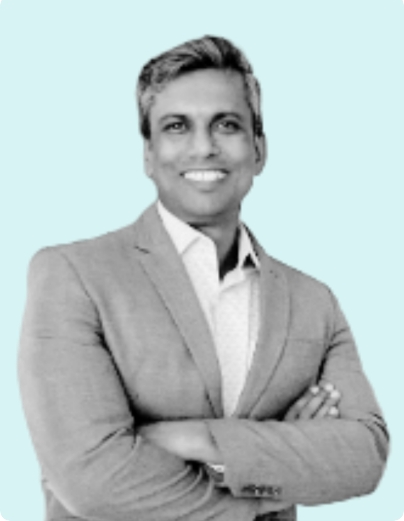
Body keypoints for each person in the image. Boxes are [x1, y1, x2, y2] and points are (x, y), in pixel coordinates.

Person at [18, 36, 388, 521]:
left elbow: (364, 456)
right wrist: (277, 468)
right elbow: (91, 480)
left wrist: (199, 439)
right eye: (176, 126)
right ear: (148, 154)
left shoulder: (313, 302)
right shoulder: (73, 276)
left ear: (259, 149)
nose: (203, 147)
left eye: (227, 124)